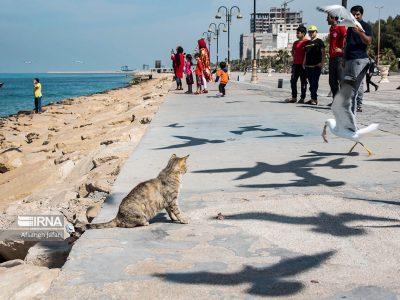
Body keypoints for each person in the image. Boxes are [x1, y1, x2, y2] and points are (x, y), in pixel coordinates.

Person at [343, 5, 373, 113]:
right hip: (349, 59)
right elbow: (348, 44)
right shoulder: (350, 27)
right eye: (353, 14)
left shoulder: (365, 26)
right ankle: (351, 109)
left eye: (358, 14)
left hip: (359, 59)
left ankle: (355, 110)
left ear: (362, 14)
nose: (355, 16)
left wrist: (360, 32)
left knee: (354, 87)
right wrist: (344, 58)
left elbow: (369, 41)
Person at [327, 14, 347, 106]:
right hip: (332, 58)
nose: (326, 19)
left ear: (333, 18)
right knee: (332, 81)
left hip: (339, 58)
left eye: (328, 17)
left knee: (341, 80)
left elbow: (348, 39)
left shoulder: (341, 27)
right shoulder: (331, 28)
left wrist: (343, 50)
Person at [303, 25, 325, 105]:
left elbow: (323, 53)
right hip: (308, 66)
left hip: (316, 66)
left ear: (316, 32)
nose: (311, 33)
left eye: (313, 32)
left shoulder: (319, 41)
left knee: (314, 83)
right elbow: (306, 54)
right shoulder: (307, 43)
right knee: (311, 83)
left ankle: (314, 99)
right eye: (310, 32)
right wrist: (304, 62)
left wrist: (322, 63)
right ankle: (312, 98)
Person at [286, 25, 308, 103]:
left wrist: (304, 62)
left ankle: (302, 98)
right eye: (296, 33)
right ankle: (294, 97)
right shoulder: (295, 43)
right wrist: (294, 57)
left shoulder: (307, 42)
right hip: (296, 65)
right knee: (293, 81)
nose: (296, 34)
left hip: (303, 65)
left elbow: (308, 53)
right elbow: (293, 51)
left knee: (303, 82)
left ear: (303, 33)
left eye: (298, 33)